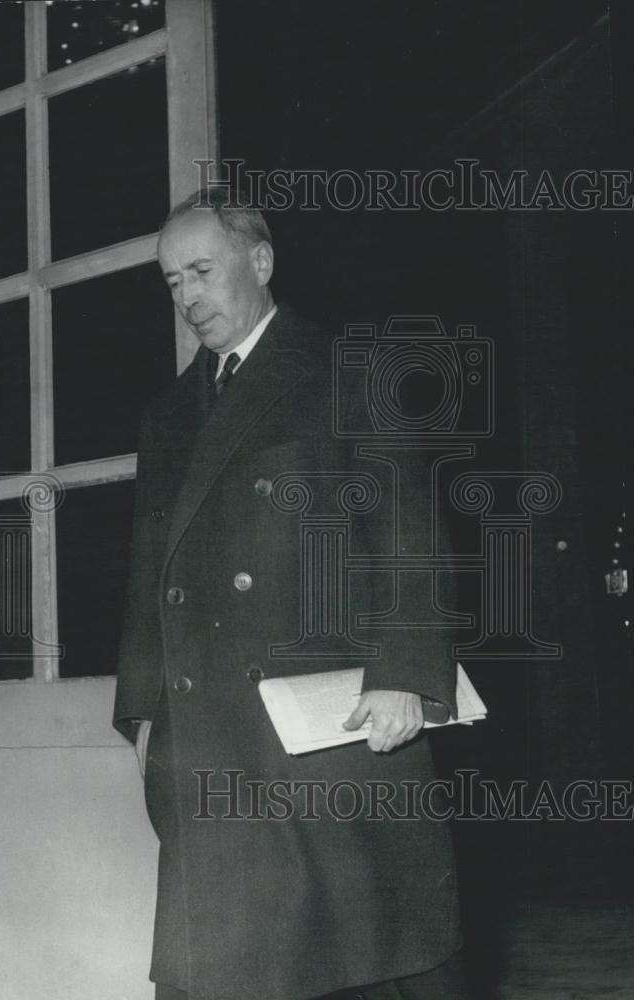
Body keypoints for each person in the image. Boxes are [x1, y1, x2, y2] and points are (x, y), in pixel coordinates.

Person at [113, 187, 469, 1000]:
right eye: (171, 282)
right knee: (227, 967)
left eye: (201, 270)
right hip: (208, 737)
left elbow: (407, 534)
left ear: (260, 262)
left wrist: (405, 674)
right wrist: (140, 710)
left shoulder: (345, 369)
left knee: (365, 958)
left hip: (325, 728)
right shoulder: (167, 414)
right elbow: (148, 577)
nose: (187, 297)